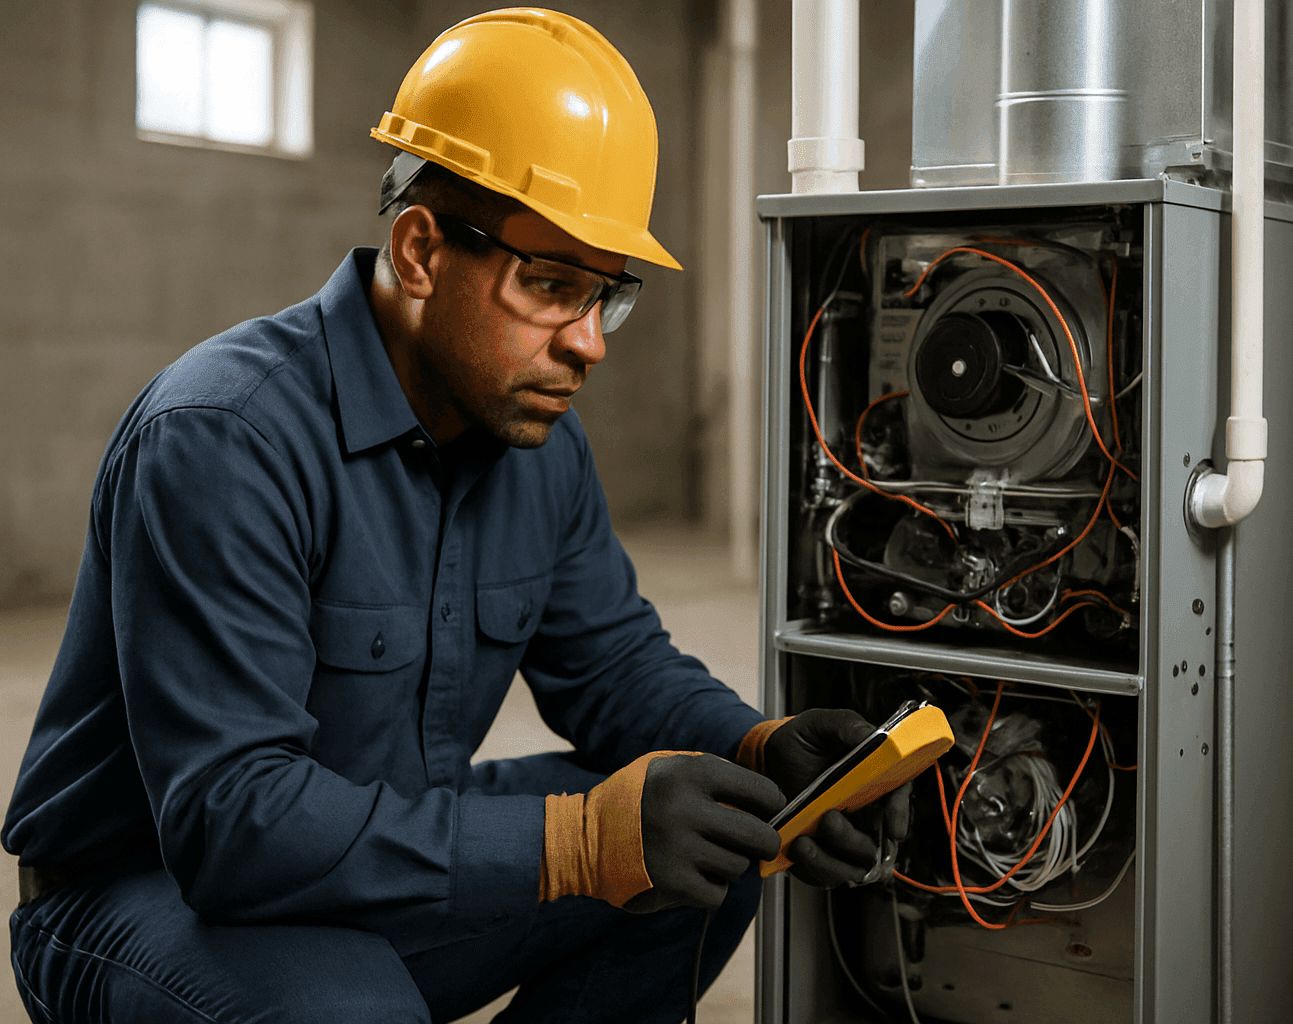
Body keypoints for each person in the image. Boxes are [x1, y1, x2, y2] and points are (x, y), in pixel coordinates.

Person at [2, 9, 905, 1023]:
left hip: (372, 849)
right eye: (551, 286)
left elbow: (612, 665)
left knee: (705, 844)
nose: (589, 344)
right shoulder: (225, 438)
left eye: (605, 296)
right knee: (349, 1011)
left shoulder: (538, 444)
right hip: (143, 892)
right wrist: (579, 844)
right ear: (421, 250)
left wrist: (756, 747)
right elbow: (232, 822)